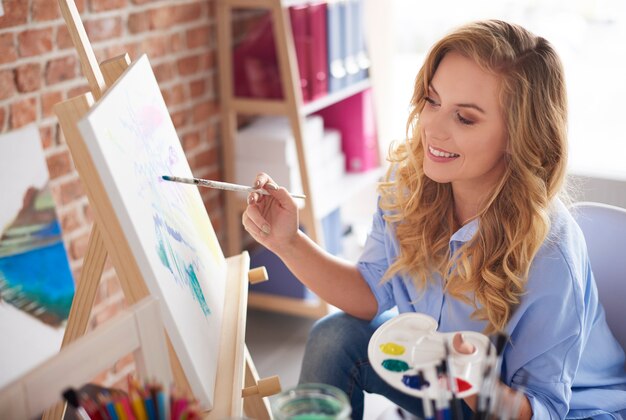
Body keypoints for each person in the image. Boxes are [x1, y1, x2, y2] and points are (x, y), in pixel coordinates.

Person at [242, 19, 626, 419]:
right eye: (431, 100)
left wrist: (474, 381)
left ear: (519, 136)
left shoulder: (549, 251)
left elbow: (542, 409)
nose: (432, 128)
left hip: (549, 411)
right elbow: (370, 292)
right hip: (453, 386)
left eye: (465, 118)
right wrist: (287, 241)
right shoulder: (408, 183)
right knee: (334, 338)